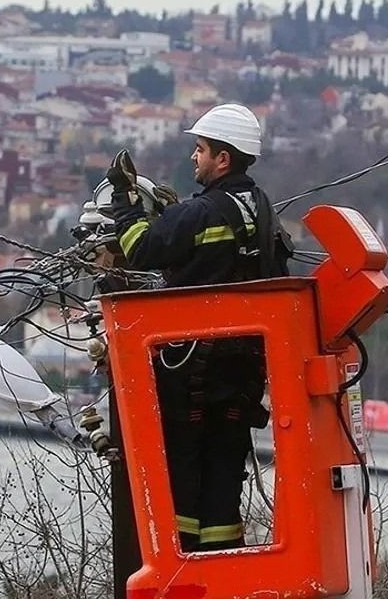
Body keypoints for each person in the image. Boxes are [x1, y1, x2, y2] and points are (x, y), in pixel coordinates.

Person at [104, 103, 290, 552]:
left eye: (201, 149)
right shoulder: (264, 211)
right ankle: (222, 566)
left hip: (191, 371)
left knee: (180, 475)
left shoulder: (204, 212)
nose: (194, 157)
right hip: (244, 373)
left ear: (222, 159)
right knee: (224, 478)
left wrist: (125, 201)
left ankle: (182, 569)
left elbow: (142, 248)